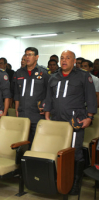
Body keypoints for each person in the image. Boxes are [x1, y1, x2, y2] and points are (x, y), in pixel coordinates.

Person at [44, 50, 97, 195]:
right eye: (62, 58)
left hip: (75, 121)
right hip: (56, 120)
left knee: (75, 152)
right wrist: (47, 115)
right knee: (58, 151)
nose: (64, 60)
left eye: (68, 58)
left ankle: (75, 184)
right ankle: (60, 182)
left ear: (74, 61)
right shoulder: (53, 77)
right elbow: (49, 97)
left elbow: (91, 98)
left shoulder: (83, 76)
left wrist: (89, 117)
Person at [14, 47, 50, 145]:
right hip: (22, 114)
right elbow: (17, 94)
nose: (27, 57)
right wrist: (17, 110)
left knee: (36, 143)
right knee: (22, 142)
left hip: (37, 115)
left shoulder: (44, 73)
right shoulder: (19, 73)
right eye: (26, 55)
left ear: (37, 57)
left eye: (30, 55)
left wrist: (46, 108)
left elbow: (49, 93)